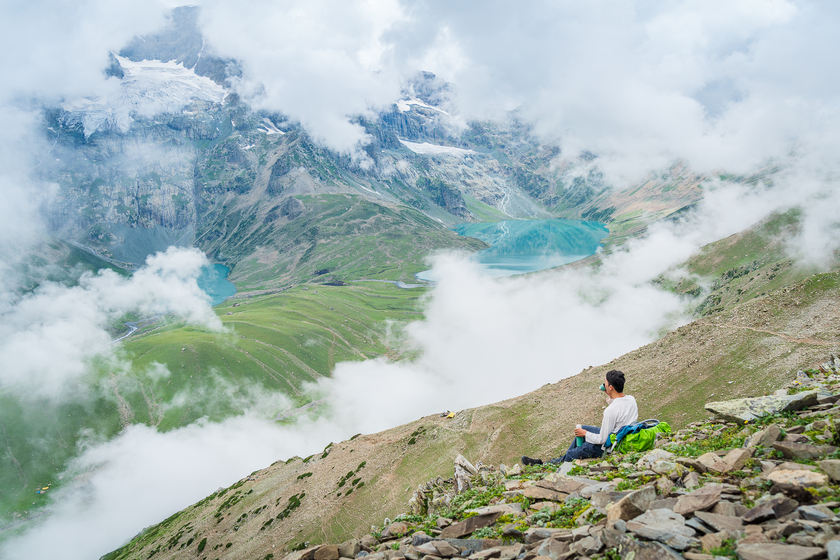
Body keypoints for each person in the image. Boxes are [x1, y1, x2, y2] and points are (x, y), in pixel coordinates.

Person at [521, 370, 638, 465]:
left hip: (612, 445)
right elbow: (620, 412)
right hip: (622, 436)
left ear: (611, 387)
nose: (604, 385)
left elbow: (602, 439)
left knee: (581, 440)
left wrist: (585, 434)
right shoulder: (631, 399)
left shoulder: (610, 411)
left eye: (605, 383)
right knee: (580, 429)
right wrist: (611, 398)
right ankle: (564, 459)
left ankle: (546, 464)